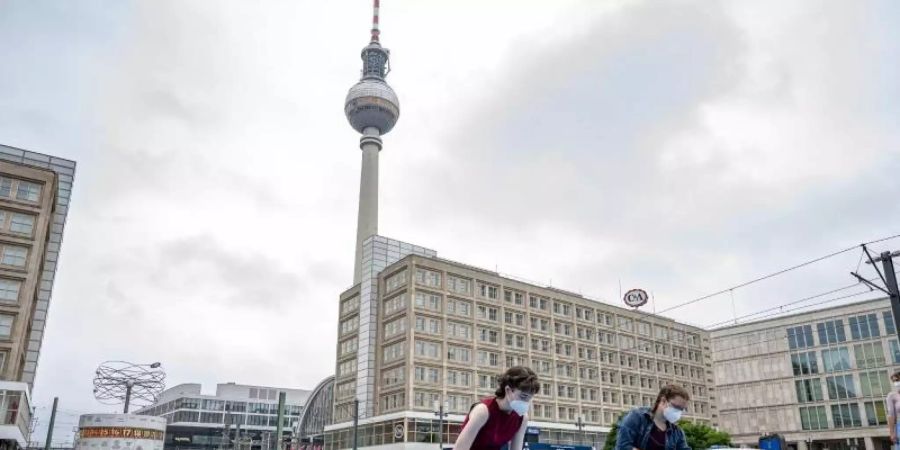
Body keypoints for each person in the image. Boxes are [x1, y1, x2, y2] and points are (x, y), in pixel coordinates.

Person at [454, 366, 540, 450]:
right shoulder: (483, 411)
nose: (526, 402)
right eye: (523, 396)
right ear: (508, 390)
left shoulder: (522, 418)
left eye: (530, 398)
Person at [615, 384, 692, 450]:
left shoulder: (677, 432)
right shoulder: (637, 417)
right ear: (663, 400)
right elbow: (622, 447)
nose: (678, 412)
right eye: (676, 407)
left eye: (681, 409)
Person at [886, 370, 900, 448]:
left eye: (897, 380)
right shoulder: (892, 396)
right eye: (894, 381)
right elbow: (891, 415)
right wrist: (892, 433)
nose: (896, 383)